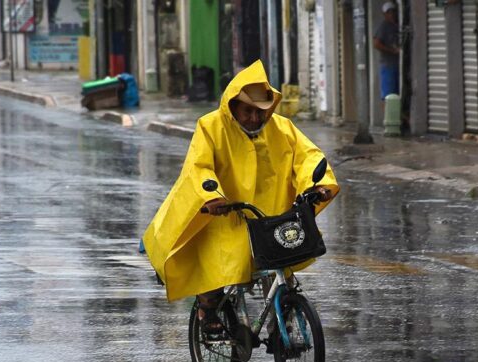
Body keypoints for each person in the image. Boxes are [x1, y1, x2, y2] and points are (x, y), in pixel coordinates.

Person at [141, 60, 339, 333]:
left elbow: (307, 157)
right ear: (232, 105)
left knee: (281, 269)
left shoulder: (281, 128)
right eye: (248, 111)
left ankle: (281, 327)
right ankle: (207, 308)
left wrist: (318, 185)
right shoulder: (211, 126)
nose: (255, 118)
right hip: (225, 215)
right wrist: (212, 196)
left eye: (261, 112)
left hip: (270, 216)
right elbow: (199, 167)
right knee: (215, 263)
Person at [373, 1, 400, 101]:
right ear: (384, 14)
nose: (391, 14)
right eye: (388, 12)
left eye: (392, 11)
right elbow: (376, 43)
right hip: (388, 66)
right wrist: (392, 50)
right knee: (388, 96)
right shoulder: (384, 27)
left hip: (397, 65)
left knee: (396, 95)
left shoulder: (397, 25)